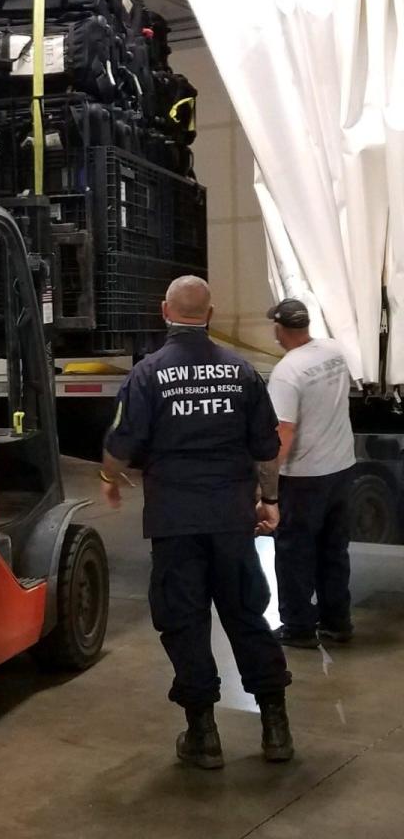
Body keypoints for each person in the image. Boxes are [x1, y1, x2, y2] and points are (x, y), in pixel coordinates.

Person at [101, 276, 293, 769]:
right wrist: (268, 499)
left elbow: (120, 445)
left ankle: (203, 735)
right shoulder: (242, 372)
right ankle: (276, 729)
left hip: (174, 522)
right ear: (211, 314)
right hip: (231, 520)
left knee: (185, 622)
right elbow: (267, 449)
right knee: (247, 615)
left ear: (164, 309)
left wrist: (108, 477)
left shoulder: (146, 374)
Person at [266, 299, 356, 648]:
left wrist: (268, 490)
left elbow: (283, 435)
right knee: (334, 549)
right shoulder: (334, 351)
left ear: (279, 328)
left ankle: (298, 626)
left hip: (304, 477)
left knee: (294, 552)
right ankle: (337, 621)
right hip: (341, 468)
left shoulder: (288, 372)